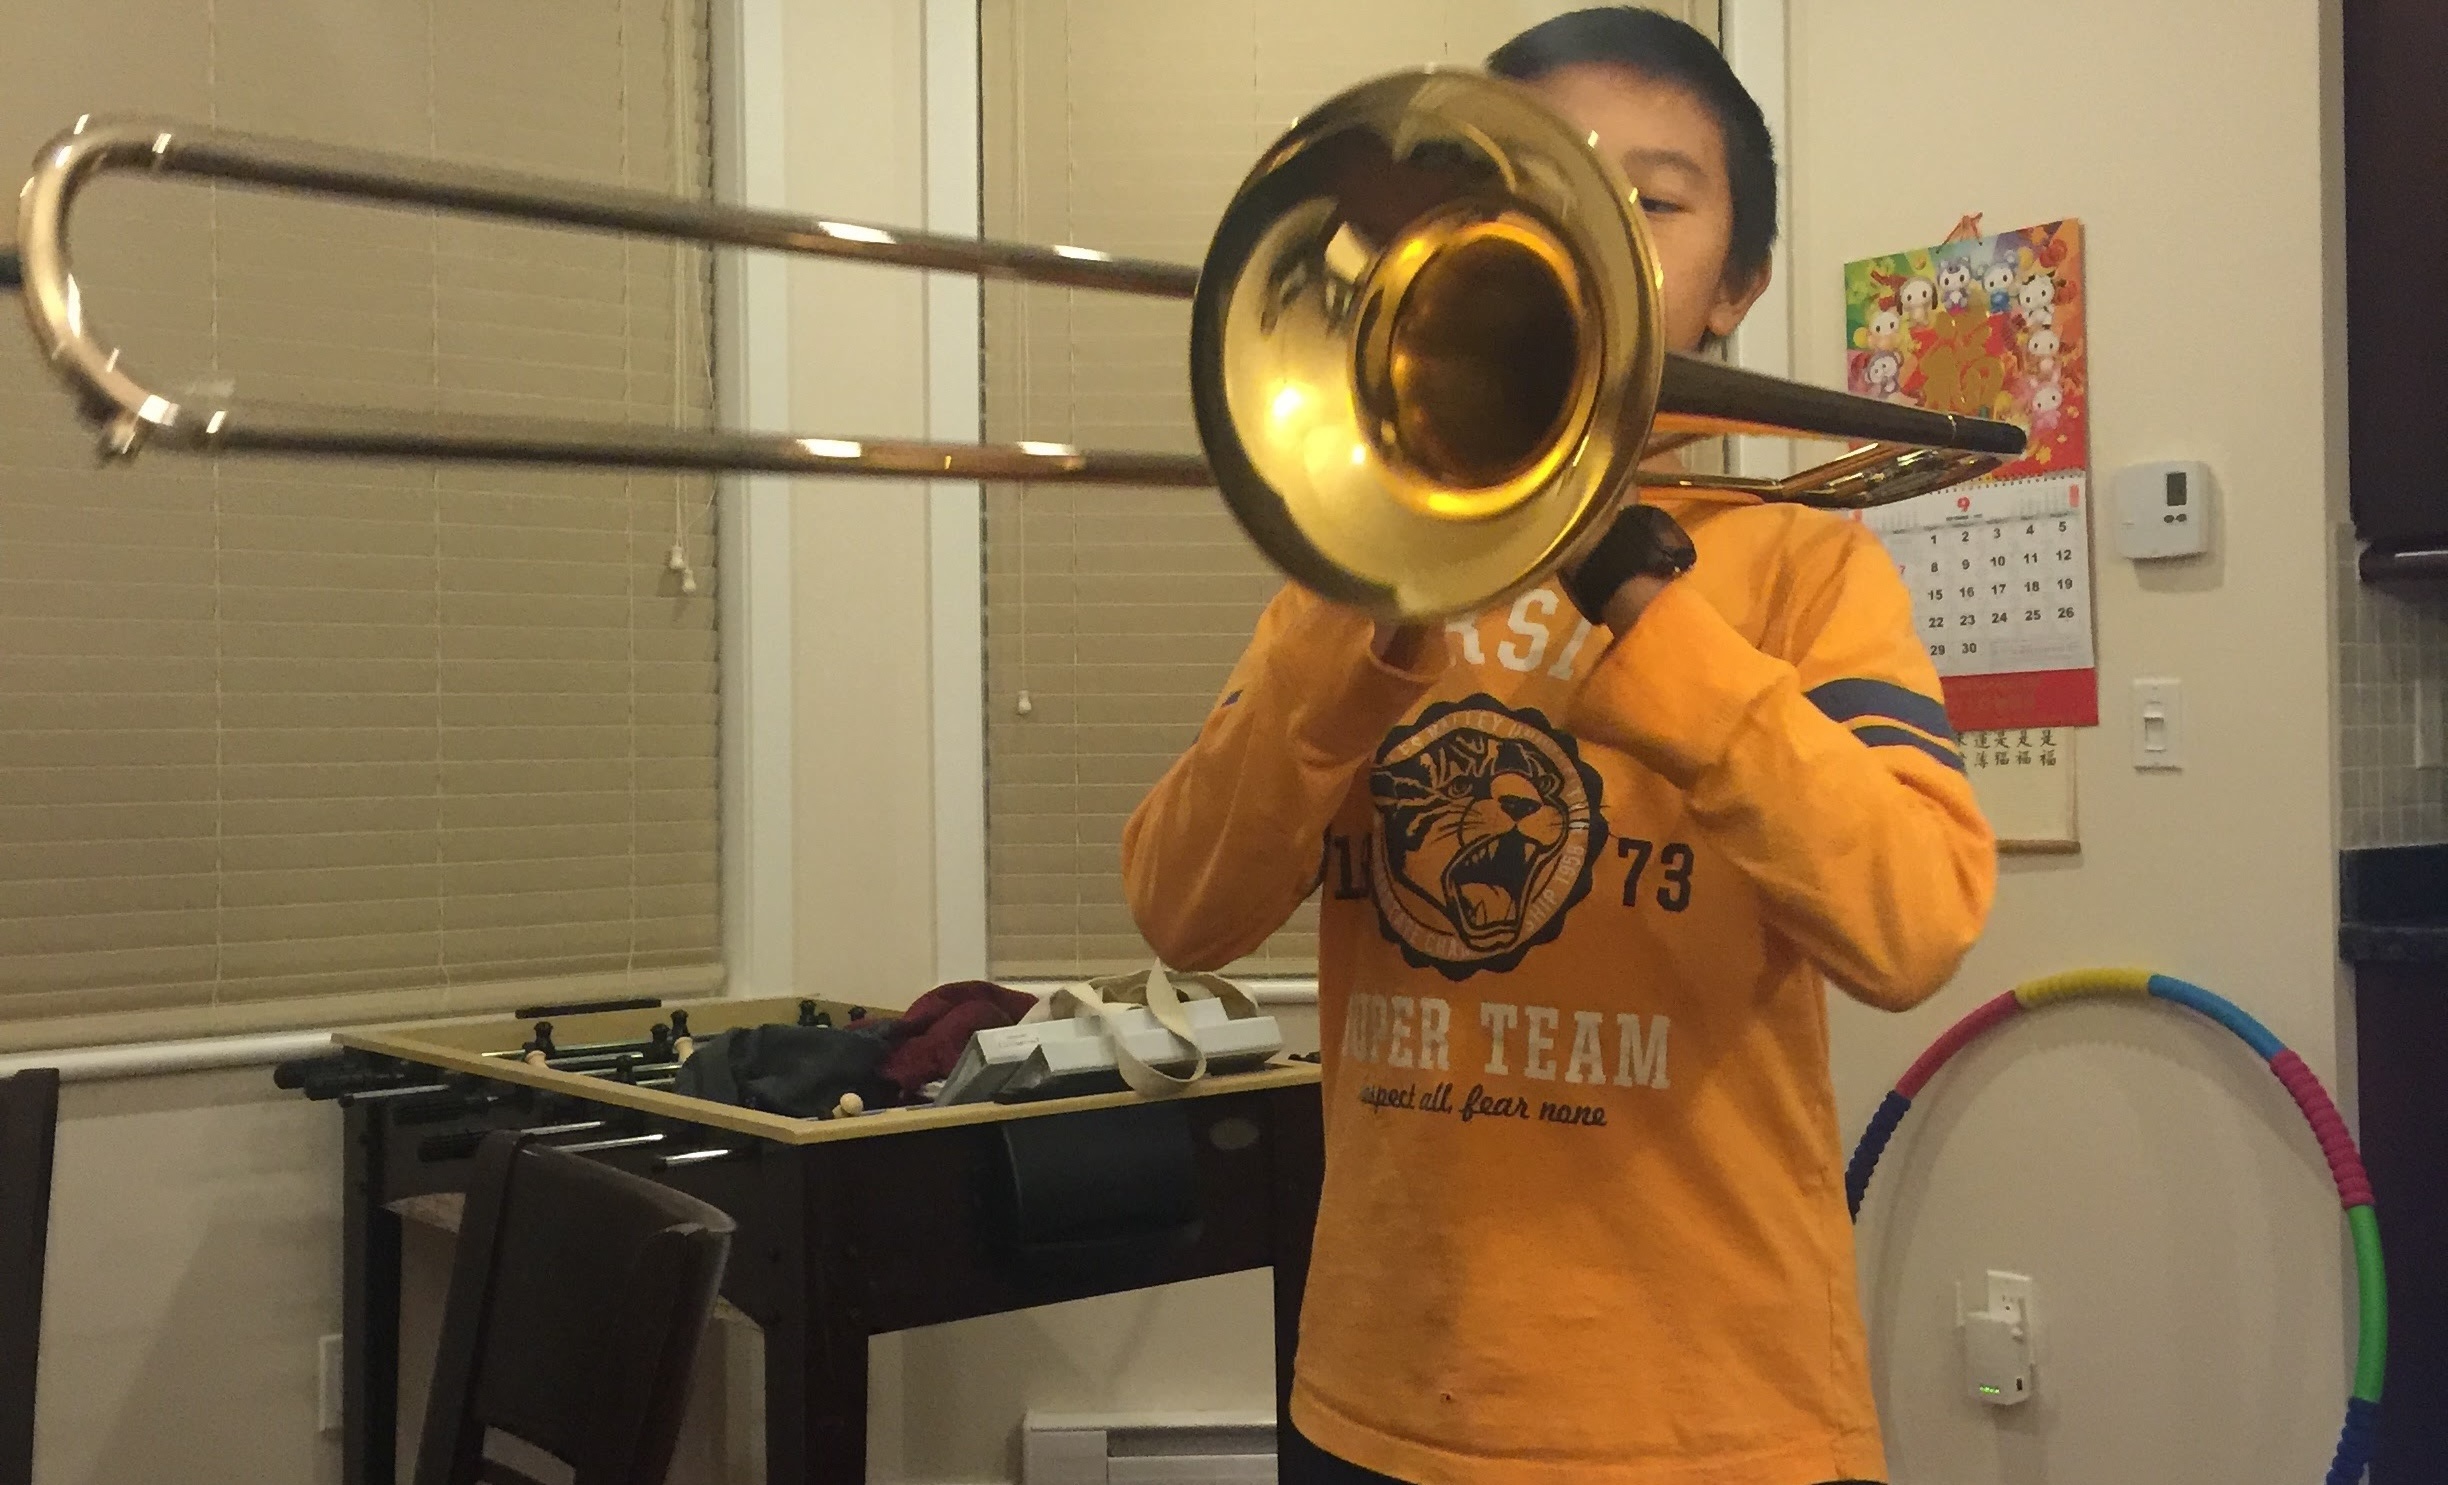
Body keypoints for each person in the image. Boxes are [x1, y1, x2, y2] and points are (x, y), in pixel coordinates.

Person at [1121, 8, 1997, 1484]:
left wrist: (1638, 595)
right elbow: (1183, 907)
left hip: (1712, 1416)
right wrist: (1358, 613)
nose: (1599, 237)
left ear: (1739, 284)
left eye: (1654, 200)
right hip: (1382, 1395)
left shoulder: (1802, 568)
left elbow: (1913, 917)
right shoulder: (1351, 584)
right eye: (1532, 199)